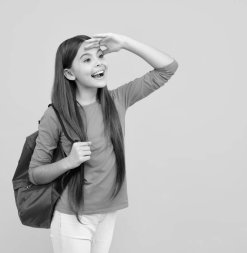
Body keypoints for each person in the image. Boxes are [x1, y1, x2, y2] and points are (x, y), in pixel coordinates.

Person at [28, 32, 179, 253]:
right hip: (73, 217)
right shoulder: (56, 115)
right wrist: (69, 162)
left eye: (99, 55)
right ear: (69, 74)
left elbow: (168, 68)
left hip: (108, 212)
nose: (98, 63)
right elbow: (34, 173)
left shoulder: (118, 100)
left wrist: (125, 43)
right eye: (87, 59)